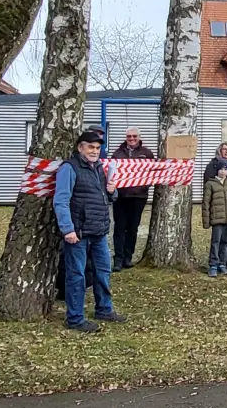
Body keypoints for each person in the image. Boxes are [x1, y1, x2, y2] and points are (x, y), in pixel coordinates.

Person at [52, 129, 126, 332]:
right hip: (78, 233)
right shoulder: (69, 168)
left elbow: (106, 197)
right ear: (80, 147)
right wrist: (67, 229)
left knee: (103, 271)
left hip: (99, 231)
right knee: (76, 276)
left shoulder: (99, 168)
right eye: (90, 147)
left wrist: (112, 192)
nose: (95, 151)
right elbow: (61, 200)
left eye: (97, 147)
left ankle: (104, 308)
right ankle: (75, 318)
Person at [109, 127, 155, 271]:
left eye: (134, 136)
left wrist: (145, 187)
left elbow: (153, 173)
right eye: (129, 136)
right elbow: (110, 173)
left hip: (138, 196)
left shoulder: (146, 153)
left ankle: (128, 257)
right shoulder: (117, 154)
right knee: (119, 228)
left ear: (139, 137)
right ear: (126, 137)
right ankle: (118, 259)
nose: (132, 139)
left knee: (133, 228)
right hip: (121, 197)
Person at [201, 158, 227, 277]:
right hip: (217, 218)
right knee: (216, 241)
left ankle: (222, 263)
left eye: (225, 169)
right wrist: (206, 221)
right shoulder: (210, 184)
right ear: (217, 170)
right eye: (221, 169)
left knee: (226, 241)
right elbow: (206, 202)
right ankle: (213, 264)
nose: (223, 172)